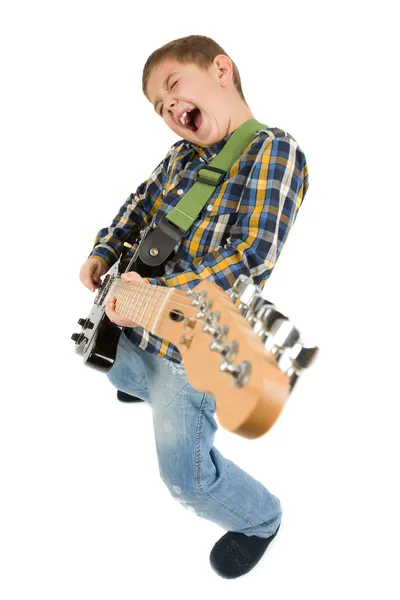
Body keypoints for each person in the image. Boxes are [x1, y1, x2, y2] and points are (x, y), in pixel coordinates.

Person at [79, 34, 309, 579]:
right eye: (159, 108)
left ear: (221, 71)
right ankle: (143, 385)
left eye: (173, 86)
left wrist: (148, 297)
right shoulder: (184, 154)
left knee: (185, 478)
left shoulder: (274, 150)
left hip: (193, 343)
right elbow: (141, 202)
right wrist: (106, 249)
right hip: (137, 317)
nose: (168, 108)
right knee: (108, 362)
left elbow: (249, 257)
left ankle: (260, 519)